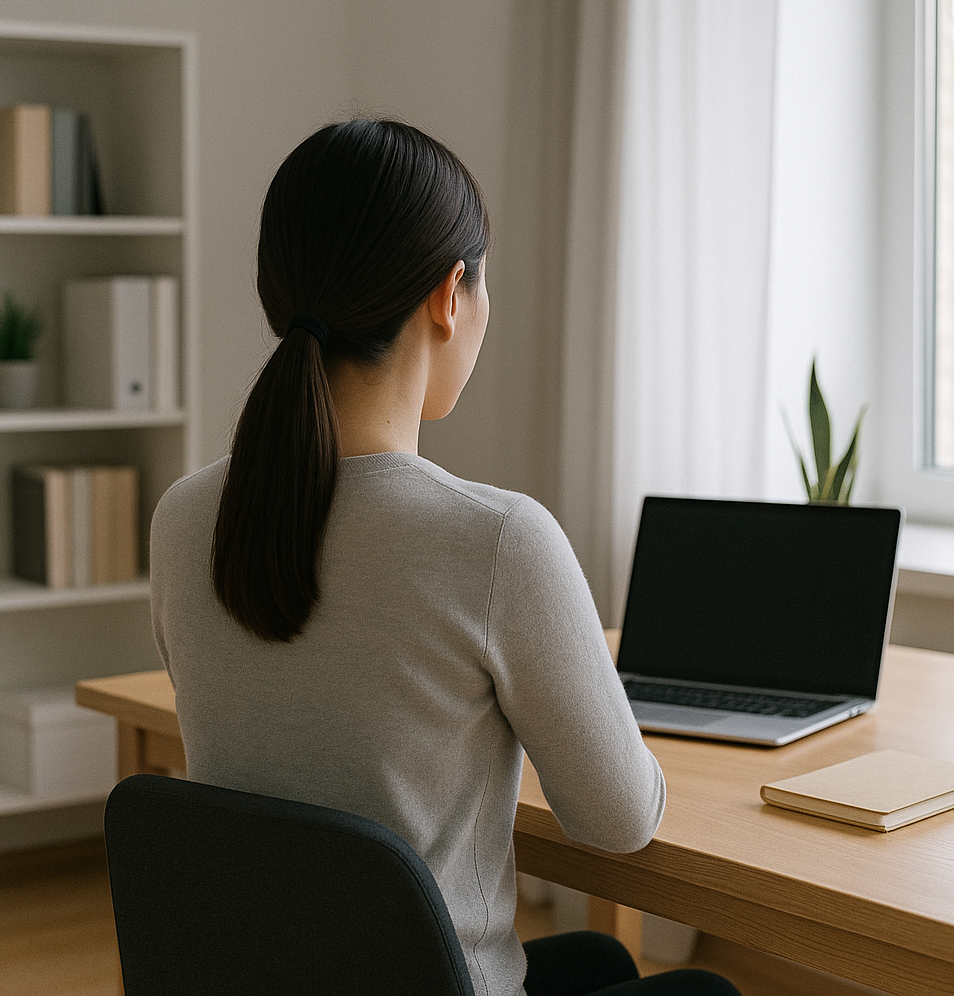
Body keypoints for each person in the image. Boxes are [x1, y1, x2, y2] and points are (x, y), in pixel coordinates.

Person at [149, 118, 742, 996]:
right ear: (447, 294)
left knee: (602, 963)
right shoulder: (497, 541)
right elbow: (619, 821)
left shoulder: (184, 516)